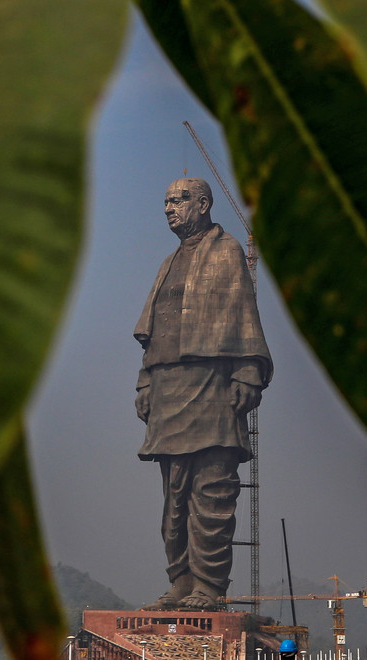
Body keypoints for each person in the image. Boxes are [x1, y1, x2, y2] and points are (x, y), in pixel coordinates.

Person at [134, 177, 272, 611]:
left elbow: (244, 314)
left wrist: (248, 371)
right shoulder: (168, 262)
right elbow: (153, 331)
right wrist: (145, 382)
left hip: (212, 384)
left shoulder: (227, 251)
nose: (170, 208)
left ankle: (209, 586)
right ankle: (180, 580)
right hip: (168, 388)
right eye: (167, 200)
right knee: (174, 500)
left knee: (211, 492)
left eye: (180, 200)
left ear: (205, 204)